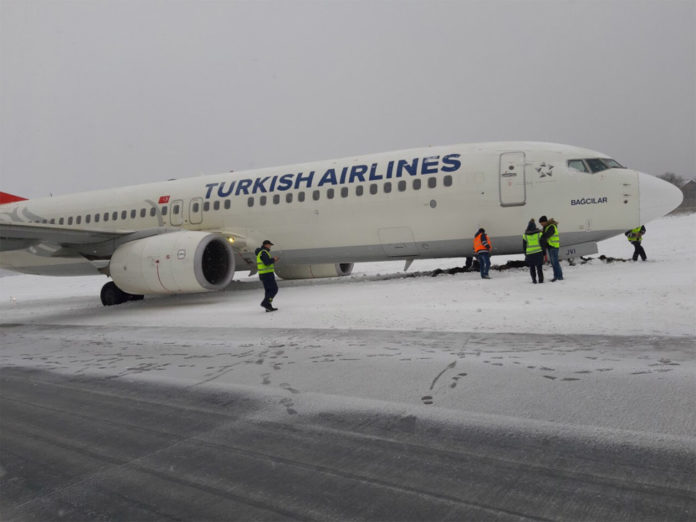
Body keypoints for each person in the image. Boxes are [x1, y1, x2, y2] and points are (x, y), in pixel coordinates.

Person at [255, 240, 279, 312]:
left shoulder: (262, 252)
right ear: (266, 245)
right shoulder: (263, 252)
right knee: (274, 289)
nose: (270, 246)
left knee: (268, 291)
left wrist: (272, 260)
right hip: (267, 274)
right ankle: (265, 303)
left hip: (264, 274)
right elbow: (267, 262)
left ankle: (268, 306)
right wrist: (273, 259)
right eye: (269, 245)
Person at [539, 215, 564, 281]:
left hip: (554, 246)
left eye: (542, 223)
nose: (541, 225)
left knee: (555, 262)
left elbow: (547, 235)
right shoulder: (546, 227)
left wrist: (541, 234)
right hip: (550, 246)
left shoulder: (551, 227)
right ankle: (556, 276)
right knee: (553, 263)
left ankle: (559, 277)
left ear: (545, 222)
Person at [523, 219, 544, 284]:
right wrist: (544, 252)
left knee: (532, 268)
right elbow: (542, 243)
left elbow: (524, 246)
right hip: (538, 252)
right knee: (539, 267)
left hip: (530, 254)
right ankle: (540, 280)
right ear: (535, 226)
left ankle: (534, 280)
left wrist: (525, 254)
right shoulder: (539, 234)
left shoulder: (525, 235)